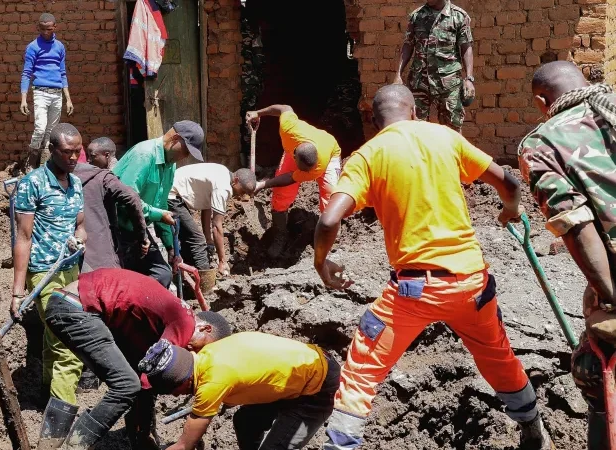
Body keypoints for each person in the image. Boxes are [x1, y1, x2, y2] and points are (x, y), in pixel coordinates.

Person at [313, 85, 552, 449]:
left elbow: (329, 220)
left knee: (363, 368)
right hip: (473, 283)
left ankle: (342, 445)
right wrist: (512, 210)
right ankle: (534, 430)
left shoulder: (367, 156)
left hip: (413, 291)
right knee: (497, 356)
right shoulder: (445, 137)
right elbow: (508, 182)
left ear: (374, 120)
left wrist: (321, 261)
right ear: (413, 111)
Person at [518, 60, 616, 449]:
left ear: (543, 101)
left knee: (592, 368)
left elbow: (574, 222)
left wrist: (609, 297)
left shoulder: (542, 143)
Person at [40, 268, 232, 449]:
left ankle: (49, 442)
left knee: (133, 380)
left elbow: (145, 368)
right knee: (127, 385)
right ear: (205, 328)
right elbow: (155, 372)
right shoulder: (185, 322)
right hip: (78, 308)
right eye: (202, 347)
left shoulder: (174, 314)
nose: (192, 351)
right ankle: (75, 446)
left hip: (72, 303)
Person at [139, 331, 341, 450]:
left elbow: (184, 446)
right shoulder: (207, 353)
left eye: (176, 391)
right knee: (245, 421)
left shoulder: (212, 382)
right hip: (296, 376)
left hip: (316, 388)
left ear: (183, 381)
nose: (177, 396)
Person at [11, 123, 86, 409]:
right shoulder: (33, 184)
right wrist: (18, 292)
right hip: (44, 273)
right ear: (51, 150)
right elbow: (23, 237)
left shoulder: (76, 184)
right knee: (69, 344)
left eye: (77, 152)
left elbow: (81, 225)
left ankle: (46, 393)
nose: (73, 158)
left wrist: (79, 239)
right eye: (67, 152)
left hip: (71, 270)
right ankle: (61, 416)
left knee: (54, 337)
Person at [112, 121, 205, 288]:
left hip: (138, 229)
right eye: (185, 151)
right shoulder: (144, 155)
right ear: (175, 138)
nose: (185, 157)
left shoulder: (170, 165)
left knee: (162, 274)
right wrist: (158, 214)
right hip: (116, 229)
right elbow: (126, 199)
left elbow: (162, 206)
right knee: (122, 277)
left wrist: (170, 247)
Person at [245, 104, 342, 257]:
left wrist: (263, 184)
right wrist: (258, 113)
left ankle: (328, 234)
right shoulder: (289, 128)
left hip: (330, 153)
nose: (303, 174)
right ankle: (280, 234)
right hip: (299, 149)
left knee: (331, 197)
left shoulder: (316, 165)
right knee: (281, 194)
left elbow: (290, 177)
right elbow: (285, 108)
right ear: (295, 156)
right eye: (301, 169)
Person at [394, 0, 475, 132]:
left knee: (452, 128)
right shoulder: (417, 16)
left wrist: (469, 79)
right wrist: (398, 75)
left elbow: (466, 47)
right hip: (419, 82)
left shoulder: (459, 16)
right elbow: (408, 45)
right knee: (415, 128)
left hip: (449, 84)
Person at [168, 163, 256, 276]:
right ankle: (205, 284)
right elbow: (216, 226)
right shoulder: (223, 188)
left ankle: (187, 273)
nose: (241, 196)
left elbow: (207, 206)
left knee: (189, 236)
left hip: (172, 189)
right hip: (171, 195)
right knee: (197, 240)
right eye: (243, 191)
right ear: (236, 180)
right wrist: (222, 261)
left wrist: (209, 240)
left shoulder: (223, 171)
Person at [73, 151, 145, 272]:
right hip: (101, 258)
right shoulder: (101, 177)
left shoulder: (50, 178)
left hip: (65, 260)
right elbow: (131, 197)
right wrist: (141, 235)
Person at [20, 13, 74, 172]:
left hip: (57, 93)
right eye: (42, 29)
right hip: (41, 92)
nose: (45, 32)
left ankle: (44, 165)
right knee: (40, 127)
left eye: (49, 29)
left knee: (51, 131)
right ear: (38, 28)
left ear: (55, 27)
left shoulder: (59, 47)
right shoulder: (33, 47)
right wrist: (23, 98)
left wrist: (68, 99)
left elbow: (62, 73)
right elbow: (26, 73)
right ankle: (30, 163)